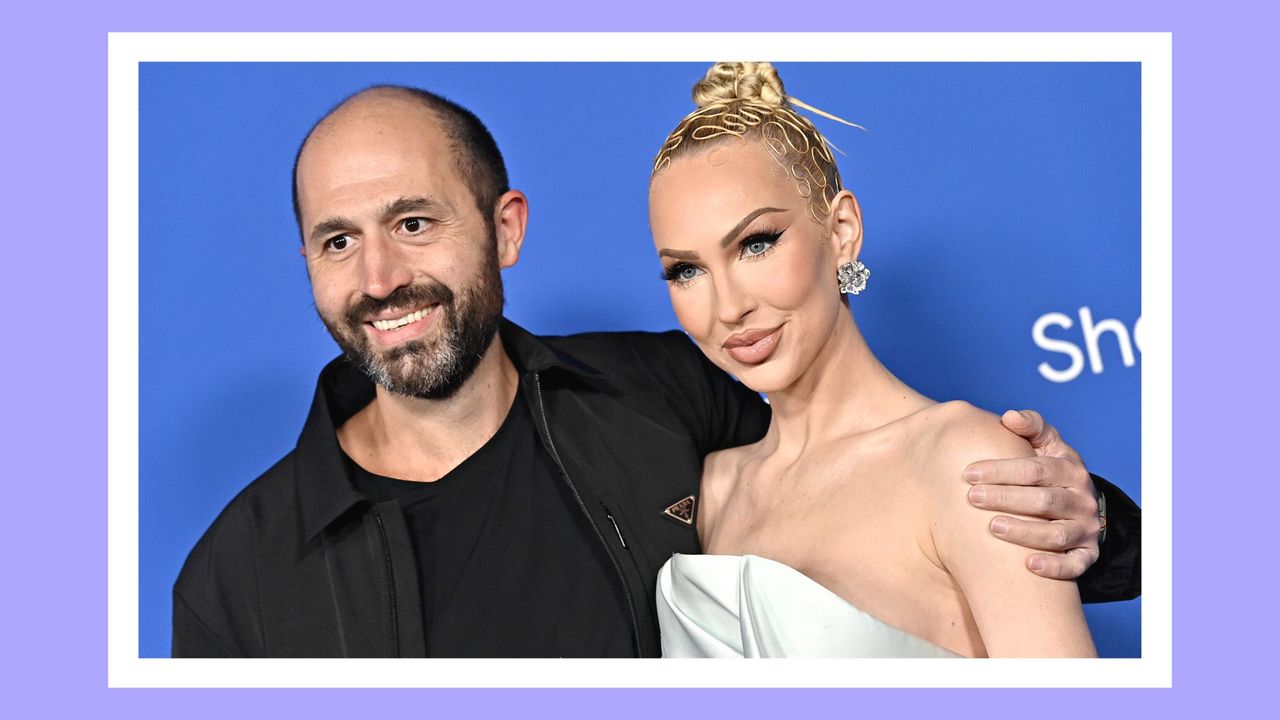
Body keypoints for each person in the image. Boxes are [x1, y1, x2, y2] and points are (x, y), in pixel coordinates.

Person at [172, 82, 1140, 658]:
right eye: (336, 241)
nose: (380, 278)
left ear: (503, 229)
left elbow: (882, 466)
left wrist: (1089, 518)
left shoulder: (660, 401)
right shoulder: (234, 580)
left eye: (413, 223)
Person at [649, 62, 1116, 657]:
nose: (729, 306)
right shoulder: (709, 491)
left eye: (756, 244)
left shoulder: (966, 463)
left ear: (841, 230)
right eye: (685, 270)